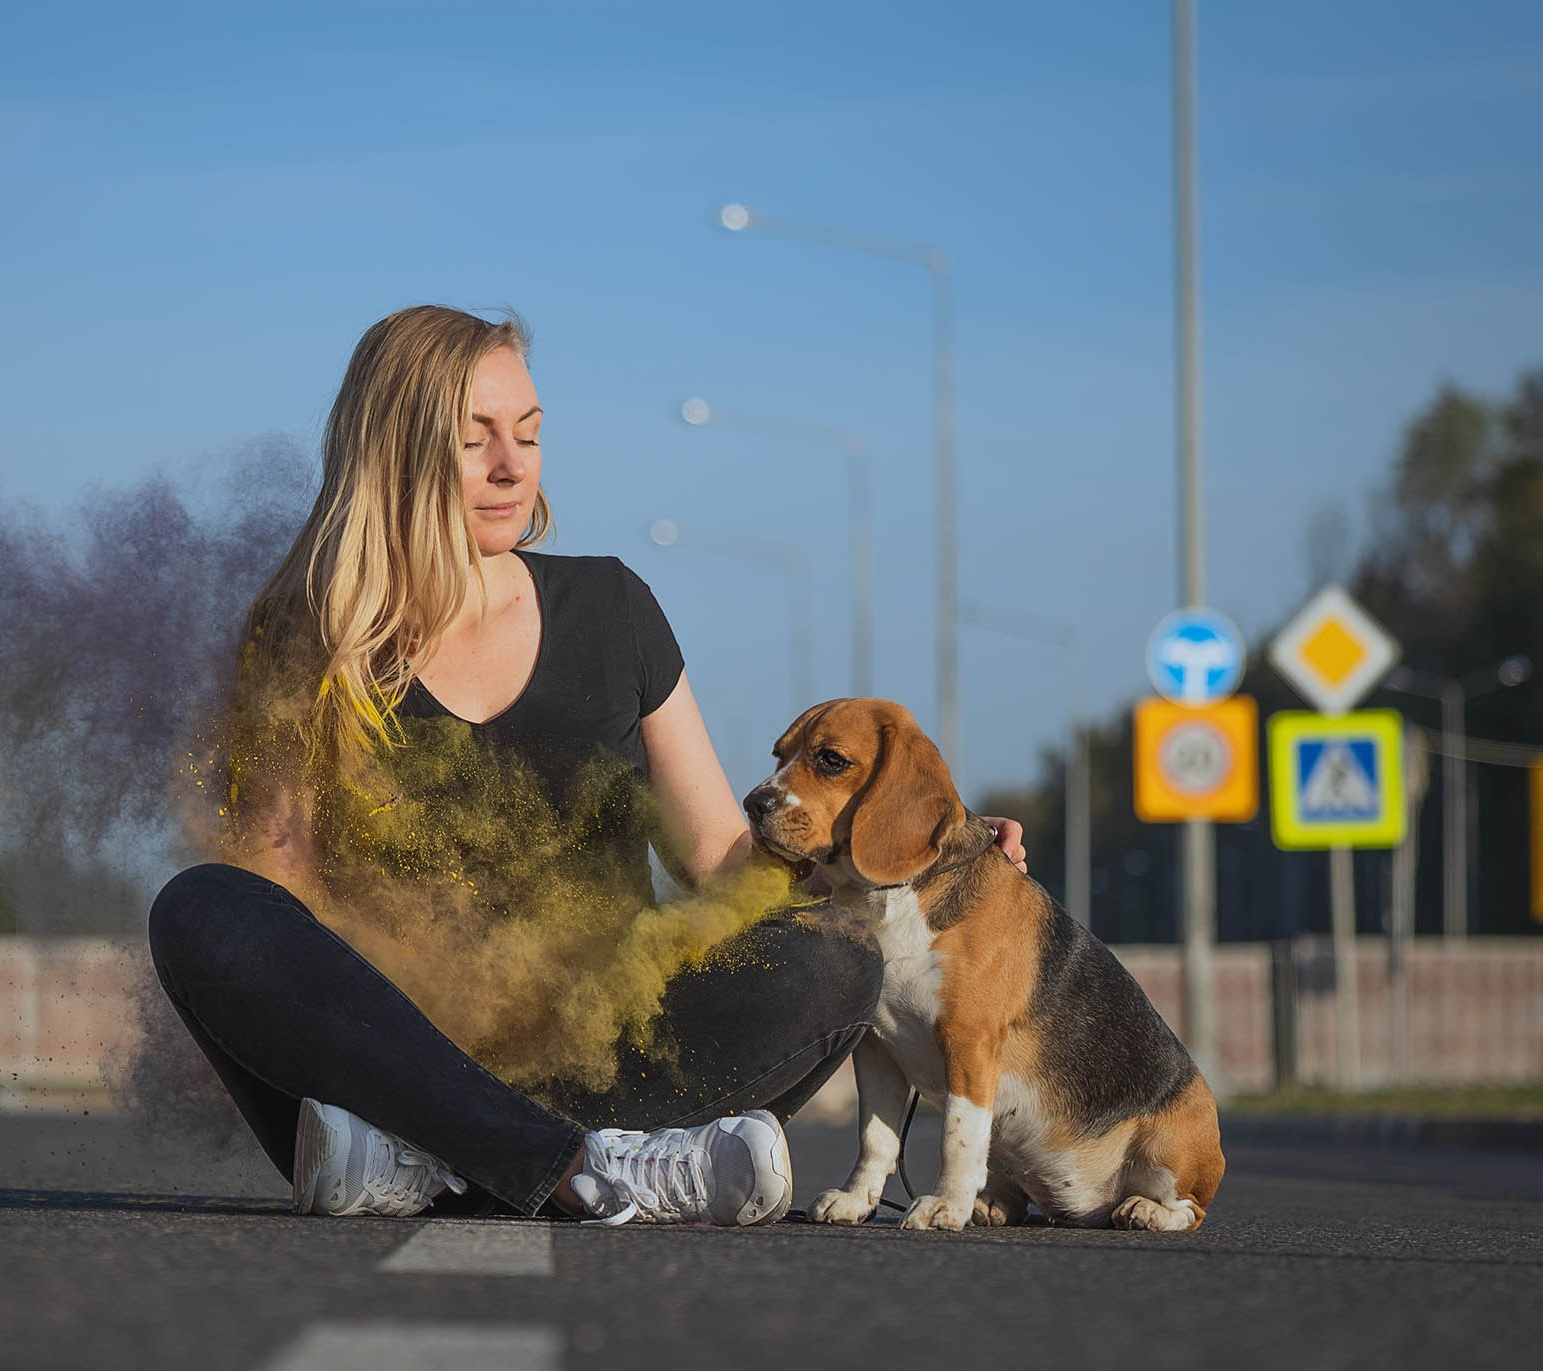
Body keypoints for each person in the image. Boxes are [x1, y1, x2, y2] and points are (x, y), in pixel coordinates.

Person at [147, 304, 1028, 1226]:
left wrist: (924, 851)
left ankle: (450, 1166)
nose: (511, 465)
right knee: (204, 909)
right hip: (388, 1065)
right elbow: (281, 891)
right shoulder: (305, 634)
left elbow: (720, 858)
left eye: (527, 434)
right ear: (396, 450)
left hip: (603, 1048)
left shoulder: (612, 608)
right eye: (473, 438)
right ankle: (589, 1168)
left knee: (836, 968)